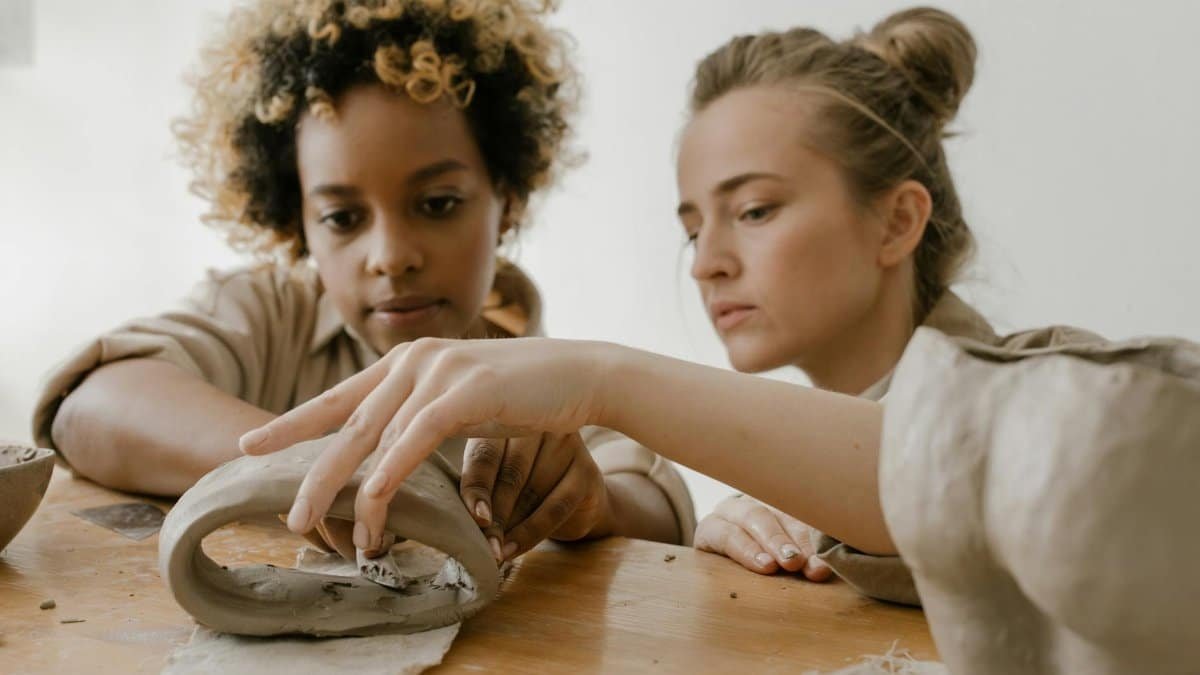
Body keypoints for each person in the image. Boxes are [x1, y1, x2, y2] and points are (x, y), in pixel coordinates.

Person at [34, 0, 695, 564]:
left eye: (436, 203)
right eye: (343, 217)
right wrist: (317, 464)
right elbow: (90, 404)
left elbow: (657, 508)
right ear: (297, 223)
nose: (390, 256)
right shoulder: (269, 314)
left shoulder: (554, 387)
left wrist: (590, 502)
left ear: (508, 198)